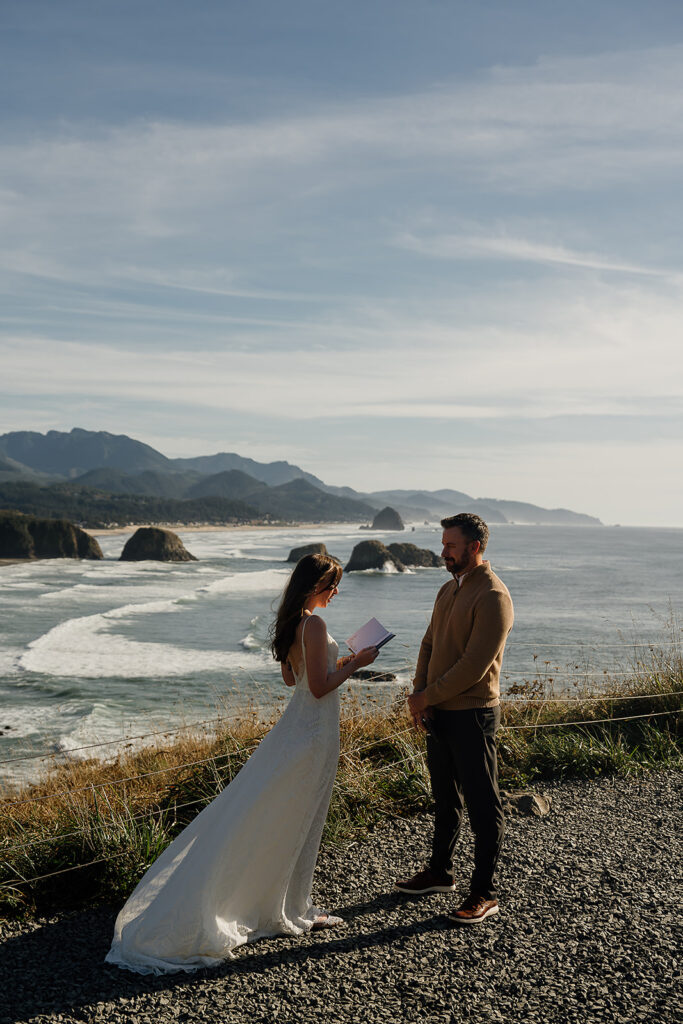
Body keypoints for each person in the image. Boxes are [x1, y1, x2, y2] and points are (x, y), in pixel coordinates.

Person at [106, 553, 379, 973]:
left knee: (273, 816)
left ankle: (281, 902)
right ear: (315, 587)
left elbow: (296, 680)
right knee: (301, 820)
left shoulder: (294, 623)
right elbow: (321, 689)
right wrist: (357, 664)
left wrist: (336, 664)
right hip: (315, 732)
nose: (336, 592)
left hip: (295, 729)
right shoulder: (315, 623)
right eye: (332, 585)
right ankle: (288, 907)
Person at [396, 513, 513, 924]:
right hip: (438, 711)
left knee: (484, 805)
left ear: (474, 547)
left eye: (450, 545)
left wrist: (427, 695)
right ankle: (440, 873)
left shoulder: (494, 596)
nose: (443, 551)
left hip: (474, 715)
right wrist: (419, 694)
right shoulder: (448, 590)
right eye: (443, 544)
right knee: (445, 799)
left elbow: (473, 668)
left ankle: (484, 892)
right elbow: (429, 644)